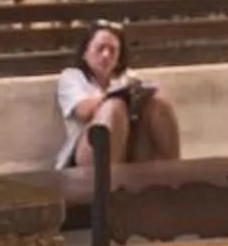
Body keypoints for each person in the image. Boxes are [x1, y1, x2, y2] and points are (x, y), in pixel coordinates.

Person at [57, 22, 182, 170]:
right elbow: (82, 111)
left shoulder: (128, 77)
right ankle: (107, 186)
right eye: (100, 48)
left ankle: (174, 174)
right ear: (85, 53)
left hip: (131, 152)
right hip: (86, 156)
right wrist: (114, 96)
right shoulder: (72, 77)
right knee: (114, 107)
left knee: (159, 103)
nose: (106, 55)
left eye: (112, 51)